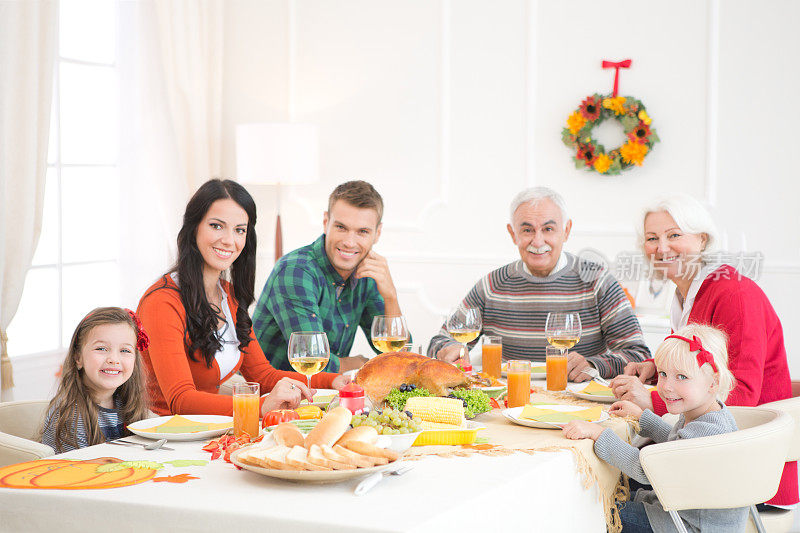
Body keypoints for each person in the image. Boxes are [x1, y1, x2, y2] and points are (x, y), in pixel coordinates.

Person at [610, 194, 797, 507]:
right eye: (652, 238)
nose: (662, 248)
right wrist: (653, 367)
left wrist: (654, 399)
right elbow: (699, 359)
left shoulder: (733, 292)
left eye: (674, 235)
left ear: (703, 239)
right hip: (708, 461)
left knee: (609, 490)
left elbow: (741, 396)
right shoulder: (689, 292)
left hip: (748, 480)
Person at [137, 179, 348, 417]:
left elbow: (263, 376)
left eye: (240, 230)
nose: (229, 240)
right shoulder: (162, 302)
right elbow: (181, 400)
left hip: (209, 428)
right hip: (164, 433)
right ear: (193, 227)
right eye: (217, 226)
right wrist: (259, 407)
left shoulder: (228, 294)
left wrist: (334, 381)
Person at [428, 187, 649, 380]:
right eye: (527, 230)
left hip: (577, 402)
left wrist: (593, 365)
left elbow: (637, 354)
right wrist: (450, 348)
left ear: (567, 230)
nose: (538, 241)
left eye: (548, 229)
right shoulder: (491, 286)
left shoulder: (597, 281)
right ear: (513, 234)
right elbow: (440, 340)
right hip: (510, 400)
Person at [564, 324, 746, 532]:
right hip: (682, 512)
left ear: (713, 382)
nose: (667, 386)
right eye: (663, 374)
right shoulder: (709, 415)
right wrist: (643, 418)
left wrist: (599, 434)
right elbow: (674, 446)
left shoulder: (705, 430)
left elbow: (647, 470)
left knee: (587, 511)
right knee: (600, 497)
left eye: (682, 377)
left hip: (688, 525)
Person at [252, 180, 402, 373]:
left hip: (323, 394)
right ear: (326, 222)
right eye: (341, 227)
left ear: (377, 233)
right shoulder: (296, 270)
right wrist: (357, 363)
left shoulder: (368, 272)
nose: (349, 242)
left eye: (362, 232)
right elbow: (311, 359)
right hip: (268, 394)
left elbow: (399, 354)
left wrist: (391, 296)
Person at [40, 307, 151, 453]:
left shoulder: (127, 404)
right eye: (101, 349)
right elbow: (78, 471)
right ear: (78, 357)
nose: (113, 359)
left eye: (125, 350)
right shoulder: (71, 416)